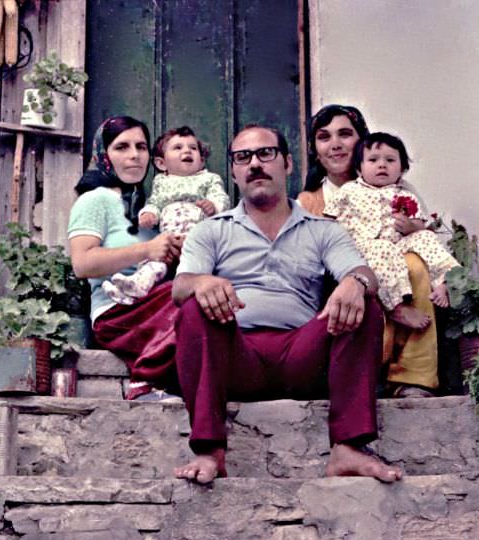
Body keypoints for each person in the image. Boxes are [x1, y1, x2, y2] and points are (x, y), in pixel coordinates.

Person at [171, 124, 403, 484]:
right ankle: (211, 451)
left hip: (302, 356)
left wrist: (354, 283)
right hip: (237, 357)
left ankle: (348, 447)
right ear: (233, 170)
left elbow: (363, 273)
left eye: (266, 154)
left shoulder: (322, 229)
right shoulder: (211, 230)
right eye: (243, 157)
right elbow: (180, 286)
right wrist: (202, 282)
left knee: (364, 303)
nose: (255, 164)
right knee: (192, 308)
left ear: (288, 163)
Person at [298, 105, 439, 398]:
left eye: (345, 134)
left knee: (415, 264)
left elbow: (422, 229)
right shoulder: (309, 200)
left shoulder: (397, 187)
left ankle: (413, 376)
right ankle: (366, 371)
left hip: (396, 266)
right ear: (315, 149)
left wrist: (413, 228)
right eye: (324, 137)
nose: (335, 144)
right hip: (339, 283)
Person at [68, 116, 183, 401]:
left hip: (154, 306)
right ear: (103, 154)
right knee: (186, 299)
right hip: (116, 312)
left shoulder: (149, 207)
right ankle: (144, 379)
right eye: (122, 147)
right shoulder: (95, 200)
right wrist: (147, 250)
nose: (134, 155)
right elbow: (82, 263)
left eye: (141, 147)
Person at [324, 132, 459, 315]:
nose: (382, 165)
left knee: (425, 237)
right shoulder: (348, 191)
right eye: (373, 160)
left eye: (390, 160)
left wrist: (411, 227)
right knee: (382, 249)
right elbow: (328, 219)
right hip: (362, 246)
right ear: (359, 168)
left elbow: (420, 224)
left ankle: (443, 282)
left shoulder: (405, 194)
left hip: (397, 244)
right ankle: (396, 307)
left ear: (402, 169)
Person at [103, 126, 230, 303]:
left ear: (201, 161)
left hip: (197, 237)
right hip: (170, 238)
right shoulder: (161, 182)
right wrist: (149, 214)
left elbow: (220, 197)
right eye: (178, 148)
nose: (187, 151)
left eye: (193, 148)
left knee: (196, 268)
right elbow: (155, 203)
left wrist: (213, 206)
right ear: (162, 163)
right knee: (156, 260)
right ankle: (137, 286)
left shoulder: (209, 179)